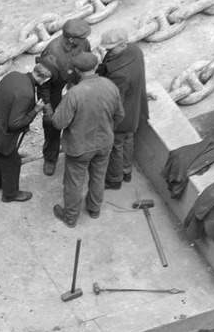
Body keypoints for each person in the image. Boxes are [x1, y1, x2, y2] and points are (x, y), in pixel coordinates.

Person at [50, 51, 124, 227]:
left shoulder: (75, 93)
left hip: (79, 147)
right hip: (105, 143)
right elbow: (120, 114)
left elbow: (59, 123)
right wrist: (108, 130)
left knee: (74, 183)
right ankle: (94, 209)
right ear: (96, 67)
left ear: (76, 70)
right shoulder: (110, 86)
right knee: (99, 176)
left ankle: (70, 216)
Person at [0, 62, 51, 202]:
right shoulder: (27, 93)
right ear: (44, 79)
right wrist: (35, 110)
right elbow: (15, 124)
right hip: (3, 131)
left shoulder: (14, 74)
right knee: (12, 162)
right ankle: (10, 194)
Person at [38, 18, 92, 176]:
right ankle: (50, 157)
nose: (85, 40)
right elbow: (43, 84)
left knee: (78, 119)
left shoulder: (83, 43)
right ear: (70, 39)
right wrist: (47, 107)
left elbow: (87, 61)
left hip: (76, 85)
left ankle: (74, 149)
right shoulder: (52, 52)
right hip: (55, 89)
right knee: (52, 124)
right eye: (81, 38)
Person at [97, 27, 149, 189]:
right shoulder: (135, 50)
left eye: (110, 49)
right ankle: (127, 172)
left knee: (115, 147)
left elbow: (113, 100)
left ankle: (114, 179)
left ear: (122, 44)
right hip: (135, 109)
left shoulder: (120, 74)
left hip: (122, 117)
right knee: (128, 140)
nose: (108, 51)